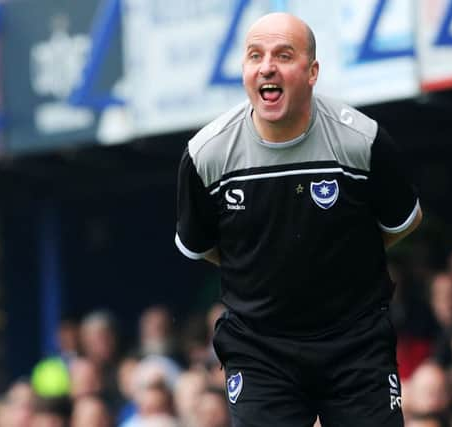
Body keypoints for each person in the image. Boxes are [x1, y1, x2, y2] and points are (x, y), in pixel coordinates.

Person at [175, 12, 422, 426]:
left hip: (356, 344)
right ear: (244, 71)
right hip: (259, 350)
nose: (267, 66)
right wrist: (268, 267)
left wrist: (341, 262)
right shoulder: (206, 156)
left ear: (312, 72)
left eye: (283, 55)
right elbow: (203, 247)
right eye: (255, 56)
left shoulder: (362, 142)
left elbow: (401, 224)